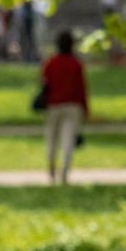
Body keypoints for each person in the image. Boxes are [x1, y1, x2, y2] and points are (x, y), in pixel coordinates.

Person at [39, 29, 90, 185]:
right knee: (68, 141)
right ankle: (65, 174)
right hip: (73, 106)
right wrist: (86, 109)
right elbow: (82, 88)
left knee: (51, 139)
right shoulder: (76, 64)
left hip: (54, 105)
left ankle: (51, 169)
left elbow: (44, 84)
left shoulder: (51, 63)